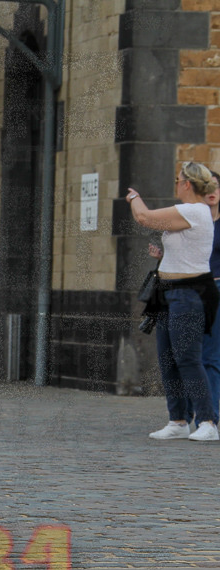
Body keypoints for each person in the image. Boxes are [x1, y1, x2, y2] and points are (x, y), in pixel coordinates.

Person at [128, 161, 220, 440]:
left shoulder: (195, 210)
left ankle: (208, 421)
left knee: (188, 359)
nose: (177, 183)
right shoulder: (187, 213)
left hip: (189, 293)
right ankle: (178, 420)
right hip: (168, 292)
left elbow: (144, 218)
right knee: (168, 359)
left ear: (187, 184)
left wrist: (134, 198)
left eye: (178, 179)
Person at [200, 170, 220, 419]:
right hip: (194, 292)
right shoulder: (193, 222)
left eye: (216, 186)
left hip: (217, 290)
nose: (213, 192)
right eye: (207, 187)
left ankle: (211, 416)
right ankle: (185, 417)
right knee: (193, 357)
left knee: (211, 356)